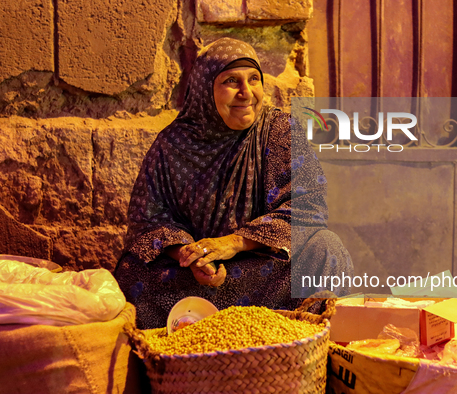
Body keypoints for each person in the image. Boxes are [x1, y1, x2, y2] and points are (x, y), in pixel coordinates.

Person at [114, 37, 353, 329]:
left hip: (260, 268)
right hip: (197, 278)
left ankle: (296, 343)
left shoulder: (279, 130)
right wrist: (194, 256)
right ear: (204, 90)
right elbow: (147, 221)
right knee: (130, 271)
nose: (246, 93)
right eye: (231, 81)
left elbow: (307, 209)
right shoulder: (172, 144)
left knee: (326, 248)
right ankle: (188, 338)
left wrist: (233, 244)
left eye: (254, 79)